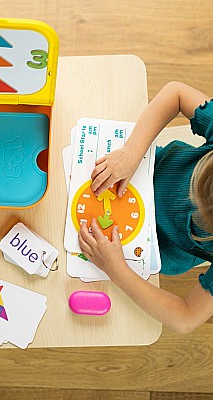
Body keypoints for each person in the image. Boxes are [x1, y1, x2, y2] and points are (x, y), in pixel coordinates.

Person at [78, 81, 213, 334]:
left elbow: (186, 318)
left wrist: (116, 270)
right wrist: (131, 152)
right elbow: (176, 93)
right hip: (141, 170)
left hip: (154, 250)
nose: (189, 196)